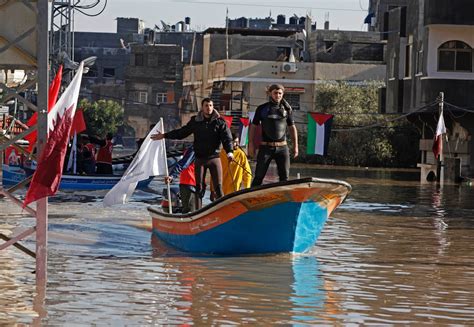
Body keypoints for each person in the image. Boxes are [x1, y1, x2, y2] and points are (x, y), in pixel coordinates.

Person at [151, 98, 234, 209]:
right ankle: (198, 211)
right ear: (202, 107)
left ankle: (223, 210)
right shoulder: (196, 121)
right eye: (206, 105)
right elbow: (182, 133)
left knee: (218, 187)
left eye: (210, 105)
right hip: (200, 159)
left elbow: (227, 138)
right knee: (199, 187)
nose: (208, 108)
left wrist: (230, 152)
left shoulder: (219, 122)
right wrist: (165, 135)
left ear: (213, 107)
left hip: (214, 158)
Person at [248, 84, 298, 186]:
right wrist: (251, 144)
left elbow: (292, 128)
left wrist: (295, 146)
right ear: (270, 93)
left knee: (285, 178)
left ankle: (284, 199)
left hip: (282, 148)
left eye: (280, 93)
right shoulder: (262, 108)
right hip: (266, 147)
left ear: (283, 94)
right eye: (275, 93)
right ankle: (252, 198)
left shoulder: (287, 109)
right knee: (258, 176)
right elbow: (253, 126)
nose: (278, 95)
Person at [165, 145, 196, 213]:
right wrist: (172, 175)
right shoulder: (194, 149)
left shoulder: (202, 148)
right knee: (190, 212)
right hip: (190, 183)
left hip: (192, 184)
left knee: (194, 211)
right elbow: (184, 163)